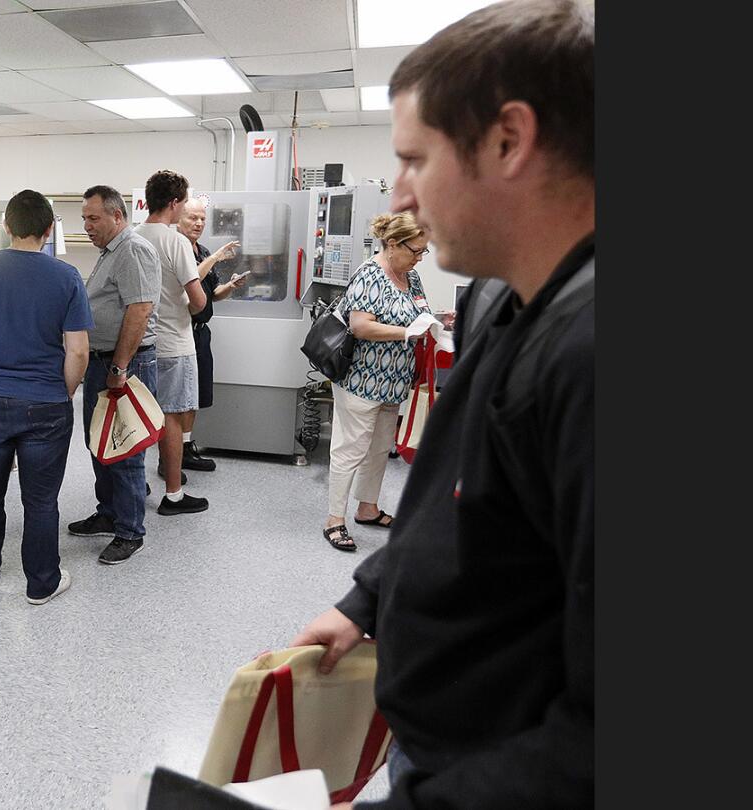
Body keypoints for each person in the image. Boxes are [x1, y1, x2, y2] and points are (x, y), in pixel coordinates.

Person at [290, 2, 593, 807]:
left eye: (415, 159)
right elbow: (459, 498)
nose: (399, 193)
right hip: (435, 747)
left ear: (508, 140)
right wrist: (371, 600)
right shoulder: (500, 291)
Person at [0, 190, 93, 604]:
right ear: (48, 230)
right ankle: (42, 583)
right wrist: (64, 391)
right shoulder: (66, 277)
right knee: (40, 498)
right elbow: (78, 350)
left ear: (6, 226)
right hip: (46, 402)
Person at [320, 211, 431, 552]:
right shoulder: (371, 275)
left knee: (381, 448)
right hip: (361, 380)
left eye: (424, 252)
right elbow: (360, 326)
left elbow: (419, 311)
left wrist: (435, 320)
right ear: (393, 244)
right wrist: (406, 333)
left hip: (393, 382)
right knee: (350, 449)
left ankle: (367, 508)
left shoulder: (410, 278)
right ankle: (334, 520)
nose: (419, 258)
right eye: (415, 251)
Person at [66, 185, 162, 565]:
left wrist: (120, 368)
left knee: (125, 449)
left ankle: (130, 530)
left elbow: (139, 311)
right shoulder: (111, 252)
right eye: (84, 219)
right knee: (100, 443)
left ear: (117, 216)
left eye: (93, 218)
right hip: (101, 361)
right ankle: (108, 513)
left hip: (126, 364)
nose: (87, 226)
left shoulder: (133, 250)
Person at [133, 170, 209, 515]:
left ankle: (135, 484)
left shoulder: (132, 236)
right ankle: (174, 495)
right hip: (174, 345)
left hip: (139, 345)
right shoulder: (174, 240)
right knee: (172, 420)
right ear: (175, 203)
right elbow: (198, 301)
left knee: (139, 418)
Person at [177, 195, 245, 471]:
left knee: (195, 394)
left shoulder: (201, 250)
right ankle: (169, 453)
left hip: (200, 332)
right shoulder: (178, 248)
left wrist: (231, 285)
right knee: (177, 395)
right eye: (193, 217)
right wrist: (217, 256)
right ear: (178, 218)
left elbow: (211, 292)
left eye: (202, 218)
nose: (199, 223)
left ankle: (185, 446)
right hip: (180, 332)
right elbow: (190, 278)